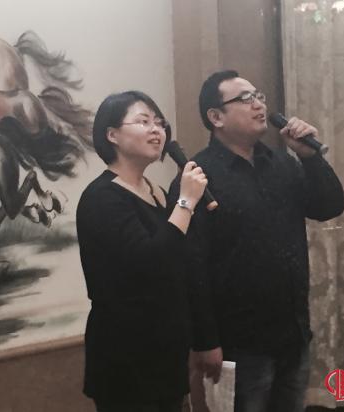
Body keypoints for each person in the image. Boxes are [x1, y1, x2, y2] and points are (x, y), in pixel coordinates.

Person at [169, 70, 344, 412]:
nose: (258, 104)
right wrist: (205, 341)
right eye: (245, 98)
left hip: (292, 334)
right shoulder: (198, 177)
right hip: (238, 344)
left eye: (259, 96)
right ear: (216, 117)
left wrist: (310, 157)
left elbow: (329, 206)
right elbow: (190, 265)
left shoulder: (281, 163)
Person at [76, 91, 208, 412]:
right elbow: (151, 263)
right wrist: (186, 202)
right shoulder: (101, 198)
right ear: (112, 135)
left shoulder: (157, 193)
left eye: (159, 123)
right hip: (126, 355)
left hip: (166, 350)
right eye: (143, 121)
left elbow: (180, 265)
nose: (156, 130)